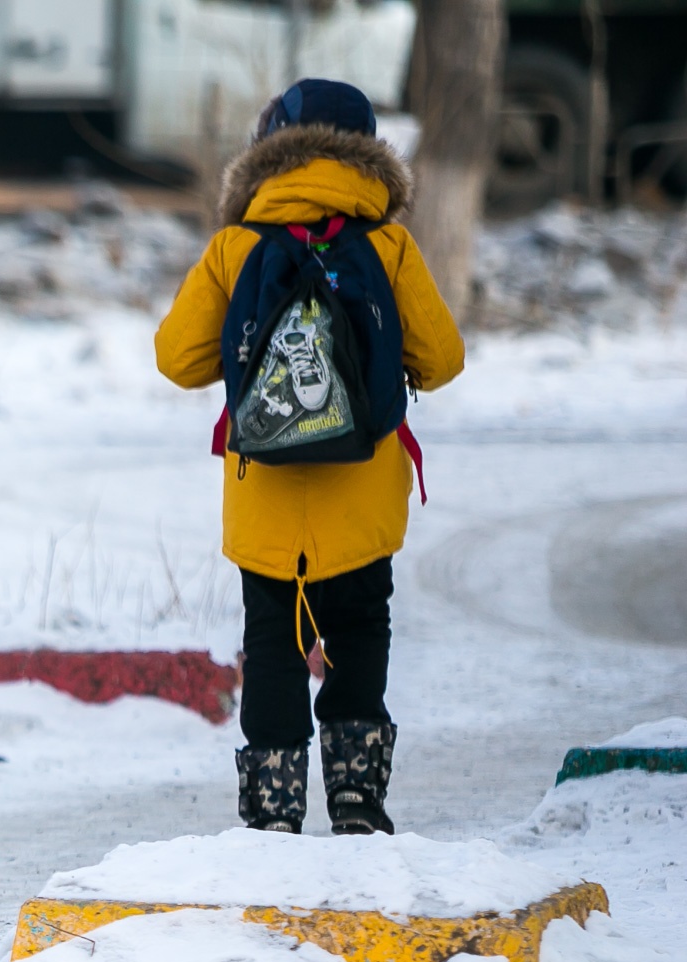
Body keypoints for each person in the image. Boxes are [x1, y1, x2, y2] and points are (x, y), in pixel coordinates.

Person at [154, 79, 464, 835]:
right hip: (362, 491)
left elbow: (177, 360)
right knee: (360, 631)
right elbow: (444, 358)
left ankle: (272, 814)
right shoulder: (386, 244)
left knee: (273, 644)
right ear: (369, 157)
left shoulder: (237, 246)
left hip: (264, 495)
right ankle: (358, 802)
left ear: (269, 152)